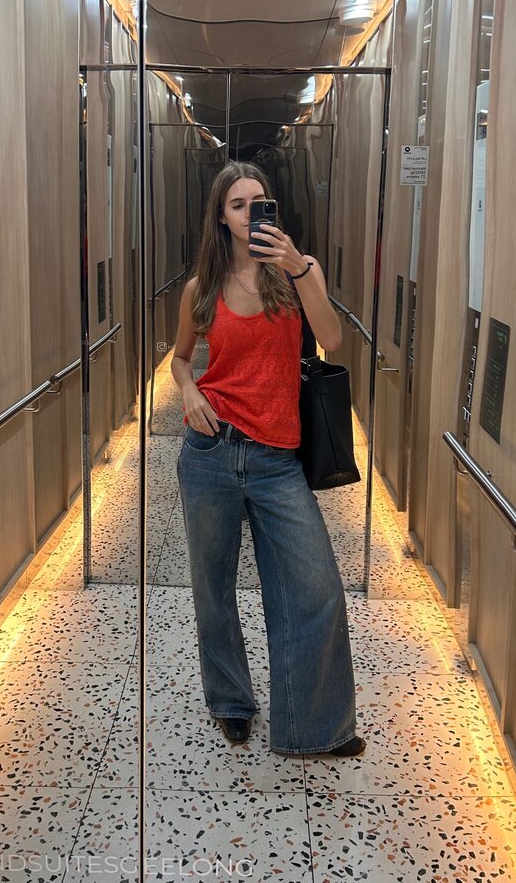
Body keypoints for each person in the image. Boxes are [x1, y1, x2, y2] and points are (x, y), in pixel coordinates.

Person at [171, 160, 365, 757]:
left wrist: (299, 266)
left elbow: (332, 339)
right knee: (214, 588)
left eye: (259, 201)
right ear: (221, 217)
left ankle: (314, 726)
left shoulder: (297, 273)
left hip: (278, 459)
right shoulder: (202, 288)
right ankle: (231, 701)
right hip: (211, 451)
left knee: (317, 588)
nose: (250, 212)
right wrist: (188, 389)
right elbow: (179, 357)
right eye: (238, 204)